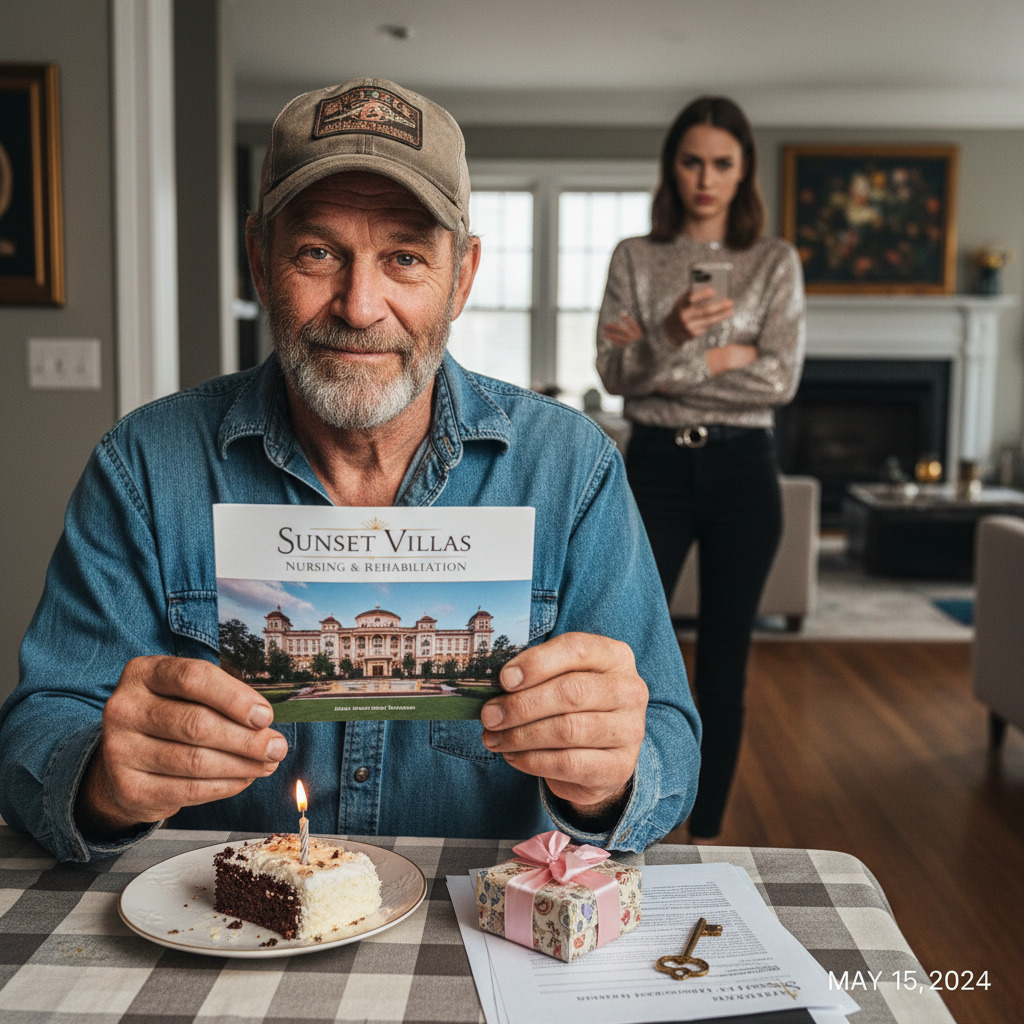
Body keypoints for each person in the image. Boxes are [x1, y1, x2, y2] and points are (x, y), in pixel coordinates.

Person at [0, 77, 700, 863]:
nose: (359, 305)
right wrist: (101, 780)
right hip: (222, 924)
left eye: (404, 257)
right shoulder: (143, 466)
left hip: (475, 931)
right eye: (318, 252)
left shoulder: (572, 471)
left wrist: (611, 777)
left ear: (461, 279)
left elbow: (670, 740)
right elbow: (39, 725)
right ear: (260, 262)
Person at [596, 96, 806, 843]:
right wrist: (698, 343)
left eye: (722, 162)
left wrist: (661, 353)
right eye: (692, 161)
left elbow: (779, 381)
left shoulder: (774, 261)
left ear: (743, 168)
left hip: (746, 473)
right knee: (628, 653)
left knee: (725, 667)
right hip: (652, 467)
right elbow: (614, 374)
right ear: (671, 166)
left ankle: (706, 834)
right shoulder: (634, 256)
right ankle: (629, 819)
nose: (705, 178)